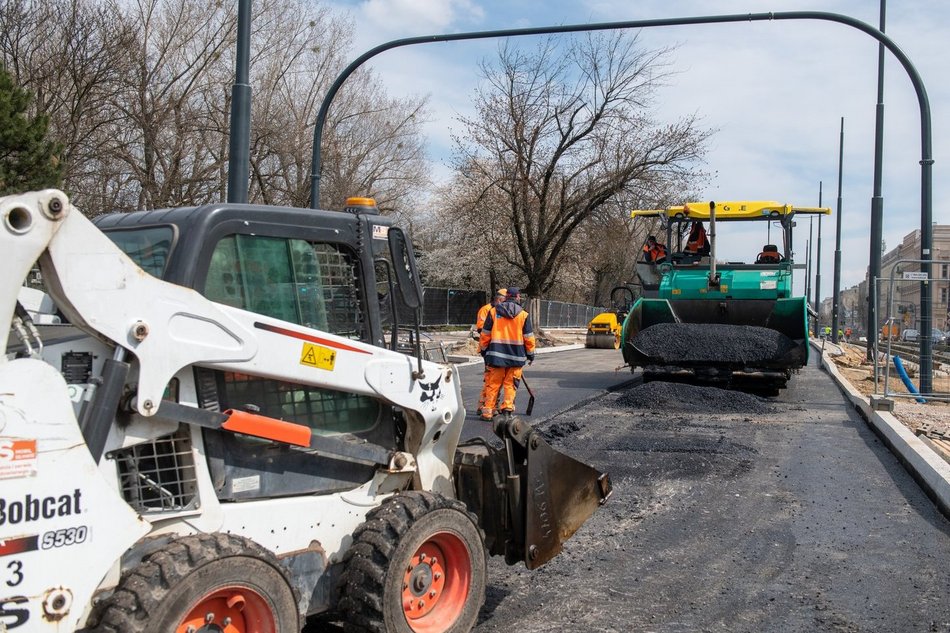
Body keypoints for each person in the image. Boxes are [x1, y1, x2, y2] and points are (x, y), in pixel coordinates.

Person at [479, 287, 536, 421]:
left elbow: (485, 334)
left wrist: (483, 349)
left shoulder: (493, 312)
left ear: (506, 297)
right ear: (517, 297)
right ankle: (507, 410)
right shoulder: (523, 315)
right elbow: (528, 337)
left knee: (493, 384)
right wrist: (530, 354)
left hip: (496, 356)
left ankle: (487, 412)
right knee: (510, 384)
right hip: (516, 357)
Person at [475, 288, 508, 416]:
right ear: (500, 299)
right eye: (505, 300)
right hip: (489, 349)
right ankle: (486, 404)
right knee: (491, 378)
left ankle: (488, 403)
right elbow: (481, 329)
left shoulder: (501, 311)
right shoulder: (486, 310)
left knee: (493, 378)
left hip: (497, 349)